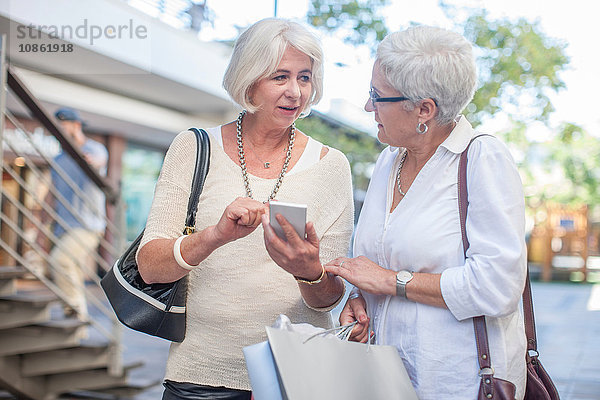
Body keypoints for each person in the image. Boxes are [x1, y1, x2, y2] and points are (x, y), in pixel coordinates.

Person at [136, 18, 354, 399]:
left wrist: (309, 271)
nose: (295, 92)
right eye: (280, 77)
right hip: (201, 373)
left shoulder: (331, 166)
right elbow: (150, 267)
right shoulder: (193, 148)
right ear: (249, 79)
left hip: (294, 375)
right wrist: (215, 236)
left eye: (305, 77)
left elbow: (331, 299)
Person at [325, 26, 527, 399]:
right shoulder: (389, 161)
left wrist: (391, 281)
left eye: (376, 95)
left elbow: (498, 287)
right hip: (384, 379)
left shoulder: (482, 160)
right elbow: (377, 260)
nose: (368, 106)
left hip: (454, 383)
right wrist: (359, 297)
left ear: (424, 110)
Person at [48, 107, 108, 320]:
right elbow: (52, 193)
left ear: (76, 125)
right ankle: (76, 316)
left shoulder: (95, 149)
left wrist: (89, 160)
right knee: (69, 267)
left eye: (63, 127)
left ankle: (74, 308)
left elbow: (99, 161)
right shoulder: (58, 159)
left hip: (88, 225)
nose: (59, 131)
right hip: (63, 225)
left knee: (60, 261)